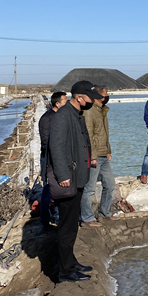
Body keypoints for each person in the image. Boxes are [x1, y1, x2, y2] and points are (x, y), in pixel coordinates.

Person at [48, 80, 102, 282]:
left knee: (71, 225)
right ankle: (65, 271)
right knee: (67, 227)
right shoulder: (63, 116)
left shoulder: (76, 114)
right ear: (79, 98)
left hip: (77, 177)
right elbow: (56, 147)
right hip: (68, 179)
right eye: (90, 98)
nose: (92, 101)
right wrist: (63, 176)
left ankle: (70, 262)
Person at [81, 86, 115, 226]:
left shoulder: (102, 110)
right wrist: (93, 156)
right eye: (106, 93)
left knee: (110, 184)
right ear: (99, 96)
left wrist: (108, 151)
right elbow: (88, 135)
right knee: (89, 188)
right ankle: (87, 217)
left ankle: (104, 212)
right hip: (95, 156)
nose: (107, 96)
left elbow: (103, 134)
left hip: (103, 154)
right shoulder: (89, 111)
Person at [38, 91, 67, 226]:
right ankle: (45, 218)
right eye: (65, 101)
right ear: (57, 104)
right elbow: (46, 142)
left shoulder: (61, 117)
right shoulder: (47, 119)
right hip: (49, 158)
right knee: (48, 188)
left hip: (60, 156)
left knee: (60, 188)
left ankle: (58, 216)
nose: (67, 104)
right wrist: (55, 156)